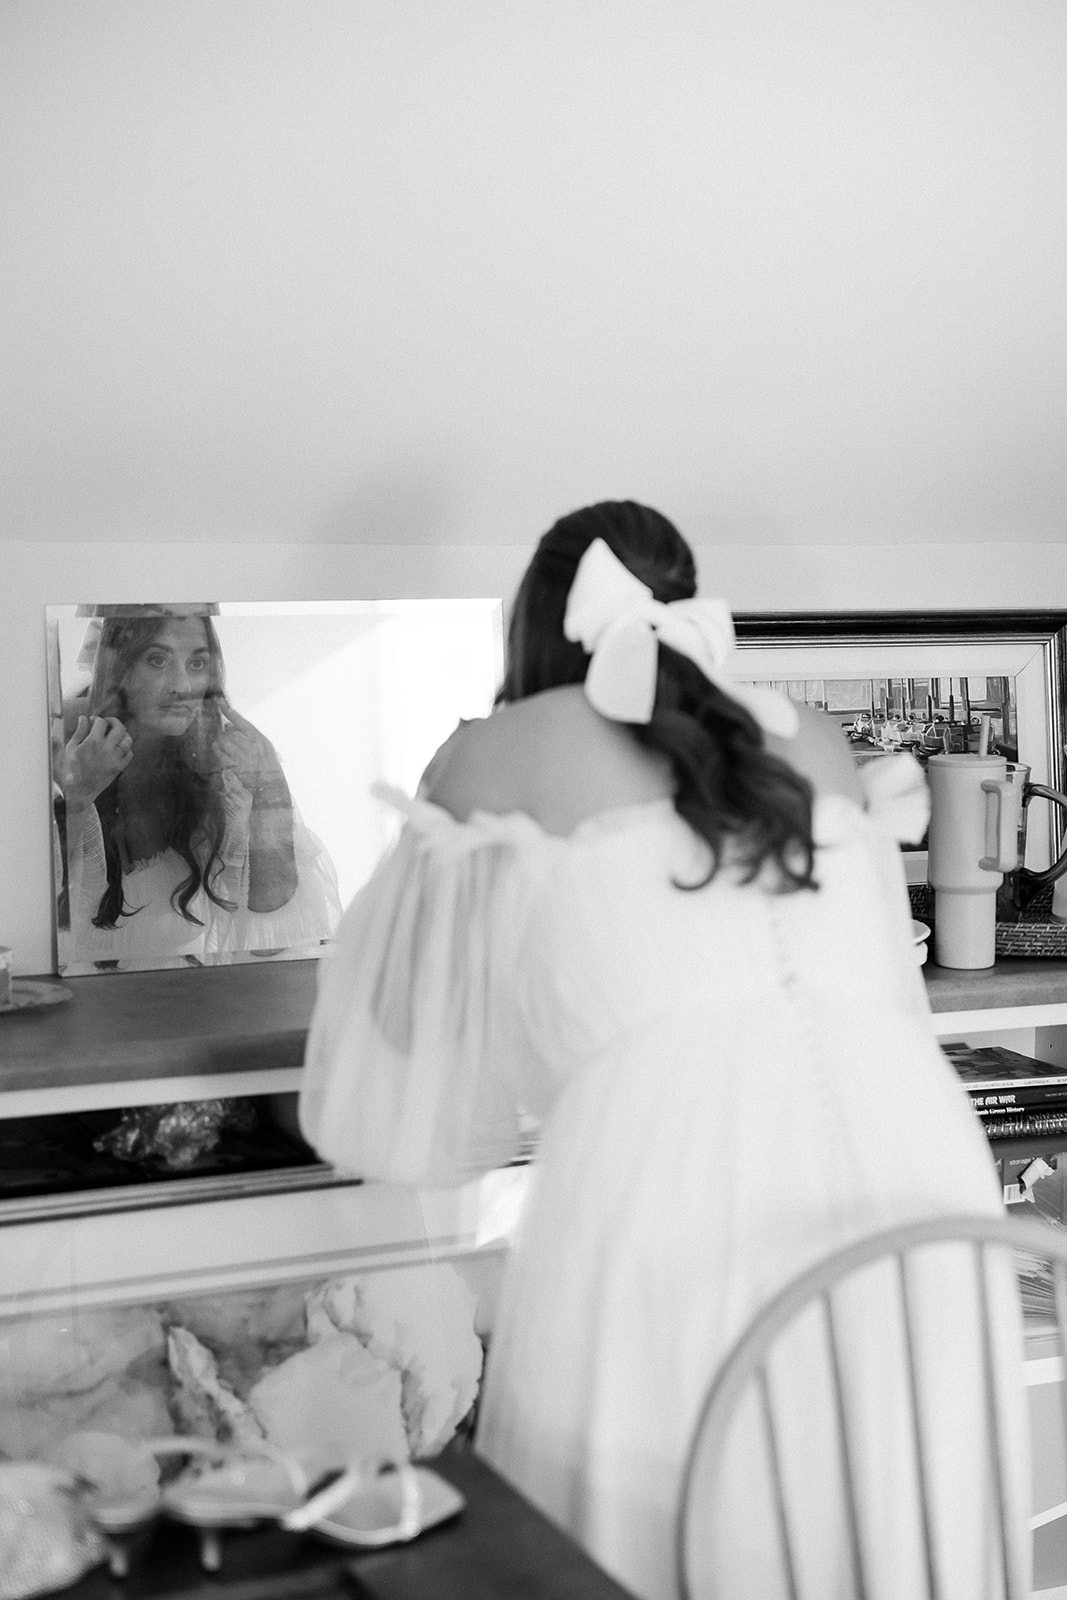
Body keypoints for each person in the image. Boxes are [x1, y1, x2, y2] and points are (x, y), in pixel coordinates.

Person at [298, 503, 1026, 1599]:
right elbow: (876, 976)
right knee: (874, 1491)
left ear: (534, 628)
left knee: (673, 1510)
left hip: (675, 1180)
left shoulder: (492, 751)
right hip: (919, 1174)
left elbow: (399, 1028)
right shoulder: (810, 735)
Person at [54, 606, 341, 969]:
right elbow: (37, 921)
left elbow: (272, 934)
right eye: (157, 660)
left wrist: (268, 787)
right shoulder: (63, 745)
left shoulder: (215, 764)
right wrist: (78, 798)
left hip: (187, 1004)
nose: (183, 687)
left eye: (197, 664)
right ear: (118, 668)